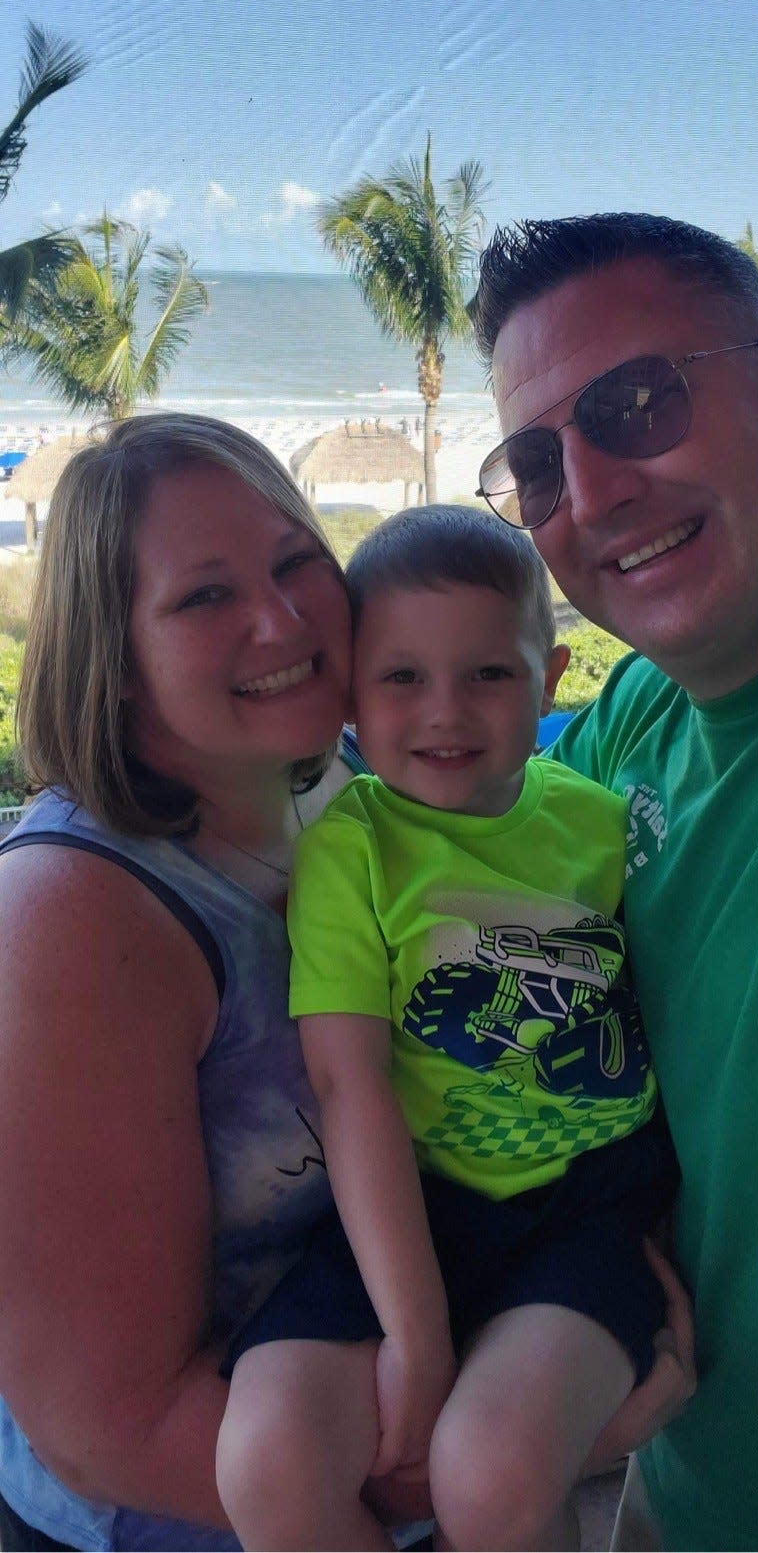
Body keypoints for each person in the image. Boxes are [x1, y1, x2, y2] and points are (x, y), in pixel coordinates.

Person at [215, 505, 679, 1553]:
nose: (445, 713)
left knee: (491, 1472)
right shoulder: (357, 849)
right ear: (348, 694)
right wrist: (418, 1335)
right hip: (411, 1202)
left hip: (588, 1204)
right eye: (401, 678)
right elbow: (351, 1088)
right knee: (268, 1461)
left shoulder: (600, 824)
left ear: (551, 675)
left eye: (489, 675)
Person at [471, 213, 758, 1553]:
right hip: (677, 1492)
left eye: (636, 403)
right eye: (539, 462)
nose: (596, 490)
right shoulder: (632, 720)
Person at [0, 412, 357, 1551]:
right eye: (205, 597)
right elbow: (112, 1424)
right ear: (116, 656)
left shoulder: (343, 782)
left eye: (297, 560)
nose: (281, 617)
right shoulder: (75, 919)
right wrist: (469, 1471)